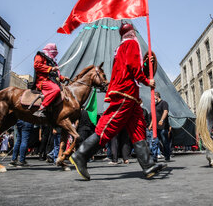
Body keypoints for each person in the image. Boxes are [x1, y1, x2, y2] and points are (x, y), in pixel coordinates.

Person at [69, 23, 166, 180]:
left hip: (131, 95)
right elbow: (133, 67)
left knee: (138, 128)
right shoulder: (132, 43)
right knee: (109, 125)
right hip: (125, 92)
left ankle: (148, 165)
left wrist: (145, 71)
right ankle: (81, 154)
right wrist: (147, 81)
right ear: (132, 32)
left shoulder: (119, 48)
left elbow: (127, 67)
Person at [33, 43, 69, 117]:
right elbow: (37, 65)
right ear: (49, 49)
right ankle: (41, 109)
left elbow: (55, 75)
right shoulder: (40, 56)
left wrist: (63, 78)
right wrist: (50, 68)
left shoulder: (52, 61)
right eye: (54, 49)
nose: (56, 51)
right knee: (56, 90)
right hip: (43, 81)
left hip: (52, 81)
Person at [149, 92, 171, 162]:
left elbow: (165, 111)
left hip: (163, 126)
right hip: (156, 127)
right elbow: (153, 116)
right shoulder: (155, 105)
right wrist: (150, 125)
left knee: (165, 142)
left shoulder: (163, 103)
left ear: (157, 96)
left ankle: (167, 156)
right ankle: (154, 157)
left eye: (153, 98)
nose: (152, 100)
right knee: (155, 142)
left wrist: (162, 120)